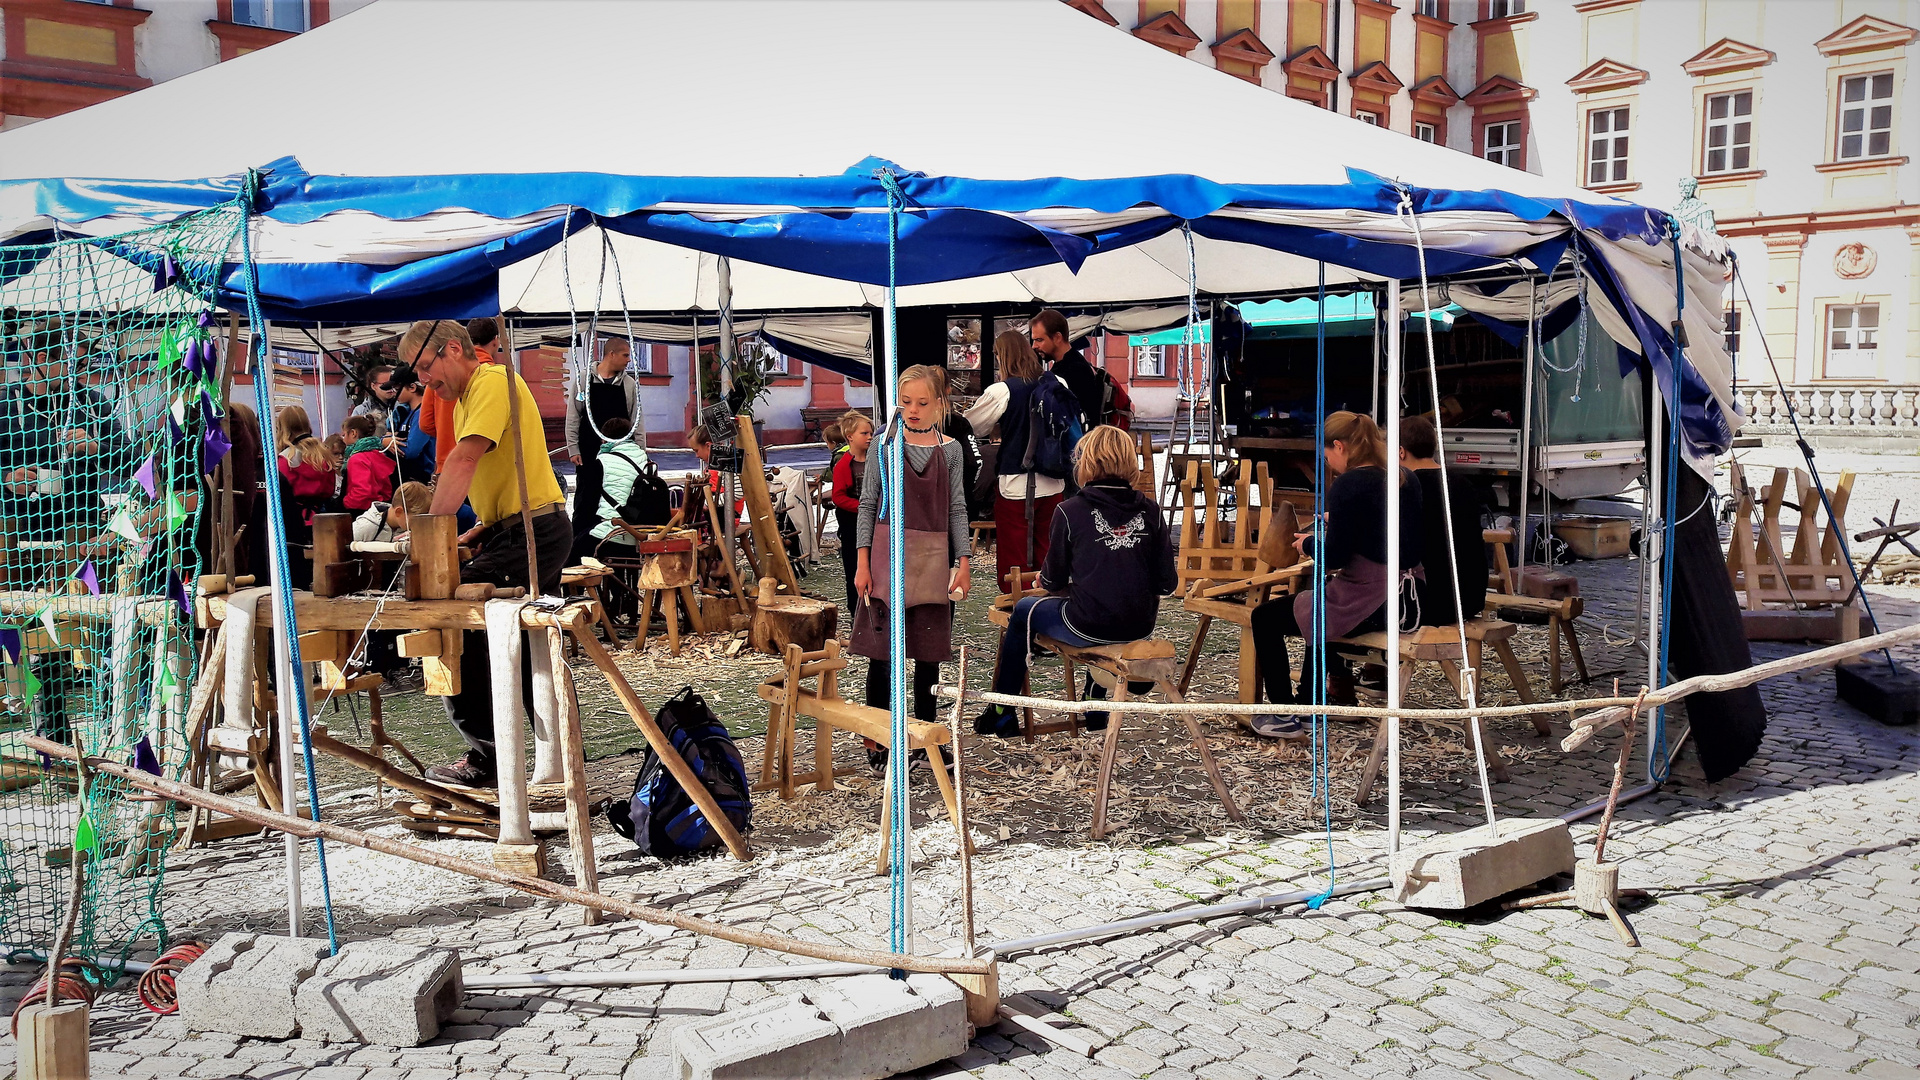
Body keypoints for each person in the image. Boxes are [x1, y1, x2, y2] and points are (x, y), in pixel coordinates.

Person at [399, 319, 572, 787]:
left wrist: (428, 532)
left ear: (453, 349)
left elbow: (465, 458)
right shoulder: (466, 398)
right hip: (517, 528)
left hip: (533, 531)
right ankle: (547, 752)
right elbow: (494, 475)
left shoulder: (492, 380)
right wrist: (478, 529)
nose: (425, 383)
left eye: (426, 369)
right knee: (523, 645)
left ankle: (491, 754)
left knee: (458, 620)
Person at [972, 425, 1175, 737]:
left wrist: (1056, 577)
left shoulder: (1070, 510)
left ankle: (1002, 709)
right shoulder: (1151, 510)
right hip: (1139, 625)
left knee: (1024, 610)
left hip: (1088, 624)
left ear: (1087, 464)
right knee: (1101, 602)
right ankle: (1095, 704)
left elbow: (1052, 581)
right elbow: (1166, 584)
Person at [1247, 411, 1423, 739]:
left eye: (1326, 454)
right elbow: (1385, 532)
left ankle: (1286, 712)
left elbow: (1337, 556)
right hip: (1409, 596)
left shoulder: (1350, 483)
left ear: (1339, 447)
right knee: (1318, 604)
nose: (1327, 461)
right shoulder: (1404, 476)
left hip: (1373, 599)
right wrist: (1340, 522)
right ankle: (1312, 706)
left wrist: (1309, 543)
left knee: (1265, 618)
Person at [851, 365, 971, 767]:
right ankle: (878, 739)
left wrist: (964, 561)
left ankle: (926, 736)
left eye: (922, 402)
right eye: (905, 402)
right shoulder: (885, 445)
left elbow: (957, 508)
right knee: (883, 655)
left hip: (933, 560)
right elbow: (868, 504)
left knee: (928, 653)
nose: (913, 410)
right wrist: (862, 562)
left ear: (941, 404)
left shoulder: (951, 450)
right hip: (887, 558)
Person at [964, 330, 1069, 579]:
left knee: (1014, 555)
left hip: (1016, 481)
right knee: (1048, 548)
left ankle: (1018, 608)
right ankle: (1047, 601)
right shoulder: (1058, 383)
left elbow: (972, 426)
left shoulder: (1002, 391)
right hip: (1054, 479)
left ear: (1003, 356)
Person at [1402, 416, 1487, 629]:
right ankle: (1375, 663)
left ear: (1401, 451)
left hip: (1429, 602)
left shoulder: (1408, 488)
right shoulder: (1463, 483)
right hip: (1471, 597)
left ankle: (1371, 659)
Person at [565, 337, 639, 551]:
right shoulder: (583, 381)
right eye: (625, 355)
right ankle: (578, 549)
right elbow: (573, 416)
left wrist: (640, 451)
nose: (629, 361)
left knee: (616, 503)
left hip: (620, 456)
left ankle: (616, 545)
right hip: (588, 452)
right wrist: (573, 448)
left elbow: (636, 420)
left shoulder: (628, 385)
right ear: (611, 354)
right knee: (585, 500)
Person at [827, 409, 873, 611]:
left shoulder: (875, 460)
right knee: (854, 567)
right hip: (852, 522)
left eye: (870, 433)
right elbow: (838, 497)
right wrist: (863, 507)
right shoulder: (844, 464)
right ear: (850, 437)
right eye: (864, 433)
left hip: (875, 521)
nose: (869, 437)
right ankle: (856, 611)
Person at [1029, 308, 1102, 432]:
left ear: (1057, 337)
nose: (1034, 346)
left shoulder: (1072, 370)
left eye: (1039, 340)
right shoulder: (1072, 364)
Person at [273, 405, 337, 523]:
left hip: (293, 518)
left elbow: (281, 493)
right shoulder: (324, 455)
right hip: (322, 518)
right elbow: (329, 490)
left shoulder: (285, 459)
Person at [339, 413, 397, 512]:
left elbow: (362, 491)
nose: (343, 439)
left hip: (360, 510)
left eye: (344, 435)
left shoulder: (356, 458)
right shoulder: (378, 454)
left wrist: (345, 502)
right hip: (381, 508)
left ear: (353, 433)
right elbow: (387, 489)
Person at [352, 479, 432, 544]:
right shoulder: (364, 528)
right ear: (399, 512)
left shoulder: (404, 528)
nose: (418, 525)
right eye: (415, 521)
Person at [388, 376, 436, 483]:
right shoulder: (407, 413)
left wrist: (388, 443)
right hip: (408, 474)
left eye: (397, 389)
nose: (394, 393)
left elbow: (411, 450)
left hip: (422, 476)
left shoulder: (422, 414)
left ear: (412, 387)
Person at [351, 363, 397, 439]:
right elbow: (354, 439)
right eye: (385, 384)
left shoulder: (402, 406)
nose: (390, 387)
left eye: (393, 383)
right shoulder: (361, 411)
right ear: (373, 386)